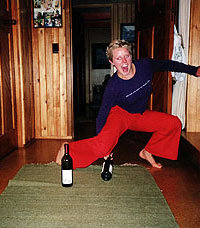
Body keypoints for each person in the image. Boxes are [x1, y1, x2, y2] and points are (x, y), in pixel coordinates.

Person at [56, 39, 200, 169]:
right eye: (118, 58)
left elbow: (167, 64)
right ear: (112, 62)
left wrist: (194, 70)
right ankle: (68, 150)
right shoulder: (113, 85)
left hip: (139, 114)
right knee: (102, 148)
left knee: (173, 123)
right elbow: (102, 114)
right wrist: (105, 146)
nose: (124, 61)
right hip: (119, 115)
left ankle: (147, 151)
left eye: (127, 56)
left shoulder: (145, 66)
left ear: (131, 56)